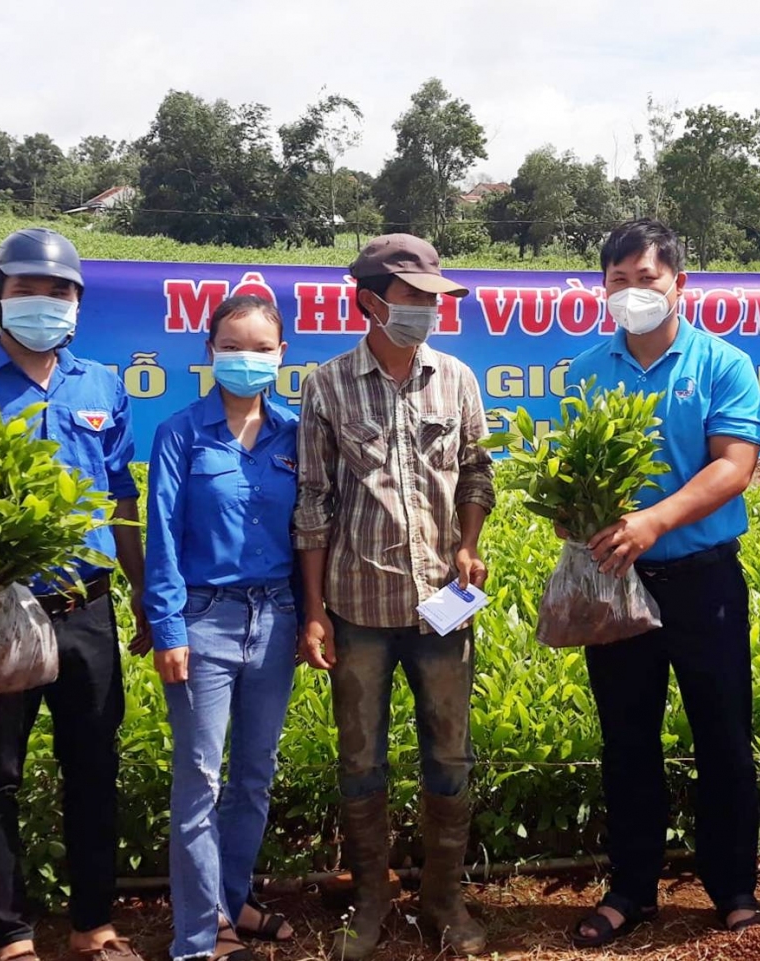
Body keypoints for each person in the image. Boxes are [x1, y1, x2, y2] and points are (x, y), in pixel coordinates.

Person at [0, 227, 149, 961]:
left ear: (78, 303)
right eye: (30, 290)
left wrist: (140, 591)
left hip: (87, 609)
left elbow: (120, 497)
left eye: (61, 292)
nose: (47, 303)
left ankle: (94, 926)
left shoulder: (101, 384)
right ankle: (11, 934)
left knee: (93, 767)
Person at [560, 219, 760, 947]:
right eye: (617, 280)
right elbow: (578, 471)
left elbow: (732, 466)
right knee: (627, 737)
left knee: (722, 735)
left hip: (702, 581)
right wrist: (576, 511)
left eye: (645, 279)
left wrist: (651, 520)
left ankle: (735, 887)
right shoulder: (586, 371)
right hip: (619, 582)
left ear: (679, 283)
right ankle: (631, 888)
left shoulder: (722, 365)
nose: (631, 293)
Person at [294, 234, 495, 960]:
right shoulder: (326, 385)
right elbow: (312, 504)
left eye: (434, 298)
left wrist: (468, 543)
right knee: (360, 757)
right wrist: (313, 610)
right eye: (415, 298)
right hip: (357, 608)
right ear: (370, 302)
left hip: (443, 603)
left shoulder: (458, 380)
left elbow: (476, 472)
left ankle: (444, 897)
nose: (429, 310)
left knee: (449, 753)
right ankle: (374, 895)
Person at [144, 295, 301, 961]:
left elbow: (312, 531)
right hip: (202, 621)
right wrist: (166, 626)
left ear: (281, 355)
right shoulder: (180, 432)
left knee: (255, 773)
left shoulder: (295, 433)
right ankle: (198, 938)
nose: (247, 359)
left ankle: (229, 899)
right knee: (201, 777)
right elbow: (162, 537)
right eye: (232, 345)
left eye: (261, 348)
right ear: (209, 352)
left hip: (277, 618)